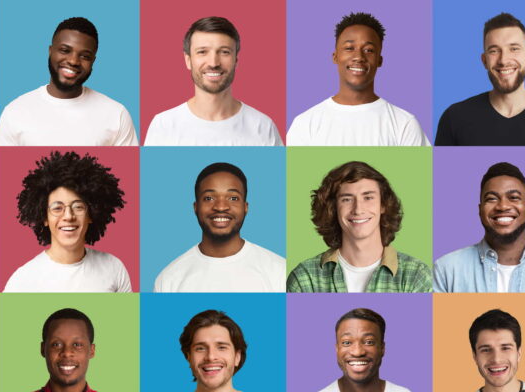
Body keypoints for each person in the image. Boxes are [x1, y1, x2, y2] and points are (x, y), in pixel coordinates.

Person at [287, 12, 429, 146]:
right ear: (335, 57)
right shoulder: (305, 124)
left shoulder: (404, 124)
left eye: (369, 50)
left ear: (379, 60)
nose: (359, 57)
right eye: (349, 48)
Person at [287, 161, 431, 292]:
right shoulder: (305, 278)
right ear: (333, 208)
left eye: (368, 197)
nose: (358, 209)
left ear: (383, 205)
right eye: (347, 199)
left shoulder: (416, 275)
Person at [285, 308, 431, 392]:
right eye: (347, 342)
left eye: (368, 342)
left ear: (382, 348)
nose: (357, 352)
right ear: (337, 349)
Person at [433, 162, 525, 292]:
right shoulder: (447, 270)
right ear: (480, 209)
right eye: (492, 199)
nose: (503, 206)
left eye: (514, 197)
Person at [435, 13, 525, 146]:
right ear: (484, 60)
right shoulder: (454, 118)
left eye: (514, 49)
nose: (503, 60)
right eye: (494, 51)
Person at [0, 308, 138, 392]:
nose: (67, 353)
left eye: (77, 345)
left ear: (92, 350)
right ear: (43, 349)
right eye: (56, 344)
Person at [0, 17, 138, 146]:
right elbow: (4, 173)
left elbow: (126, 173)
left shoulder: (116, 114)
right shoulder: (15, 112)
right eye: (64, 50)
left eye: (85, 56)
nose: (73, 61)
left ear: (93, 61)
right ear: (50, 51)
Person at [4, 151, 132, 292]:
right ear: (45, 218)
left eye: (78, 207)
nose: (68, 216)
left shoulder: (114, 268)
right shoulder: (22, 281)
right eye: (57, 208)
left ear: (91, 214)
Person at [144, 310, 285, 392]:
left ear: (237, 357)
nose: (211, 356)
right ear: (188, 357)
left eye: (222, 347)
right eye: (200, 348)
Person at [144, 17, 281, 146]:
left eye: (224, 52)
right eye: (202, 52)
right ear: (188, 60)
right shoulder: (163, 125)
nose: (213, 63)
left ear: (236, 61)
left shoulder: (263, 127)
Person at [154, 163, 285, 292]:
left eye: (233, 198)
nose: (221, 207)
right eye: (209, 198)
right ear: (196, 207)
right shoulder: (169, 279)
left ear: (245, 207)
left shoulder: (280, 271)